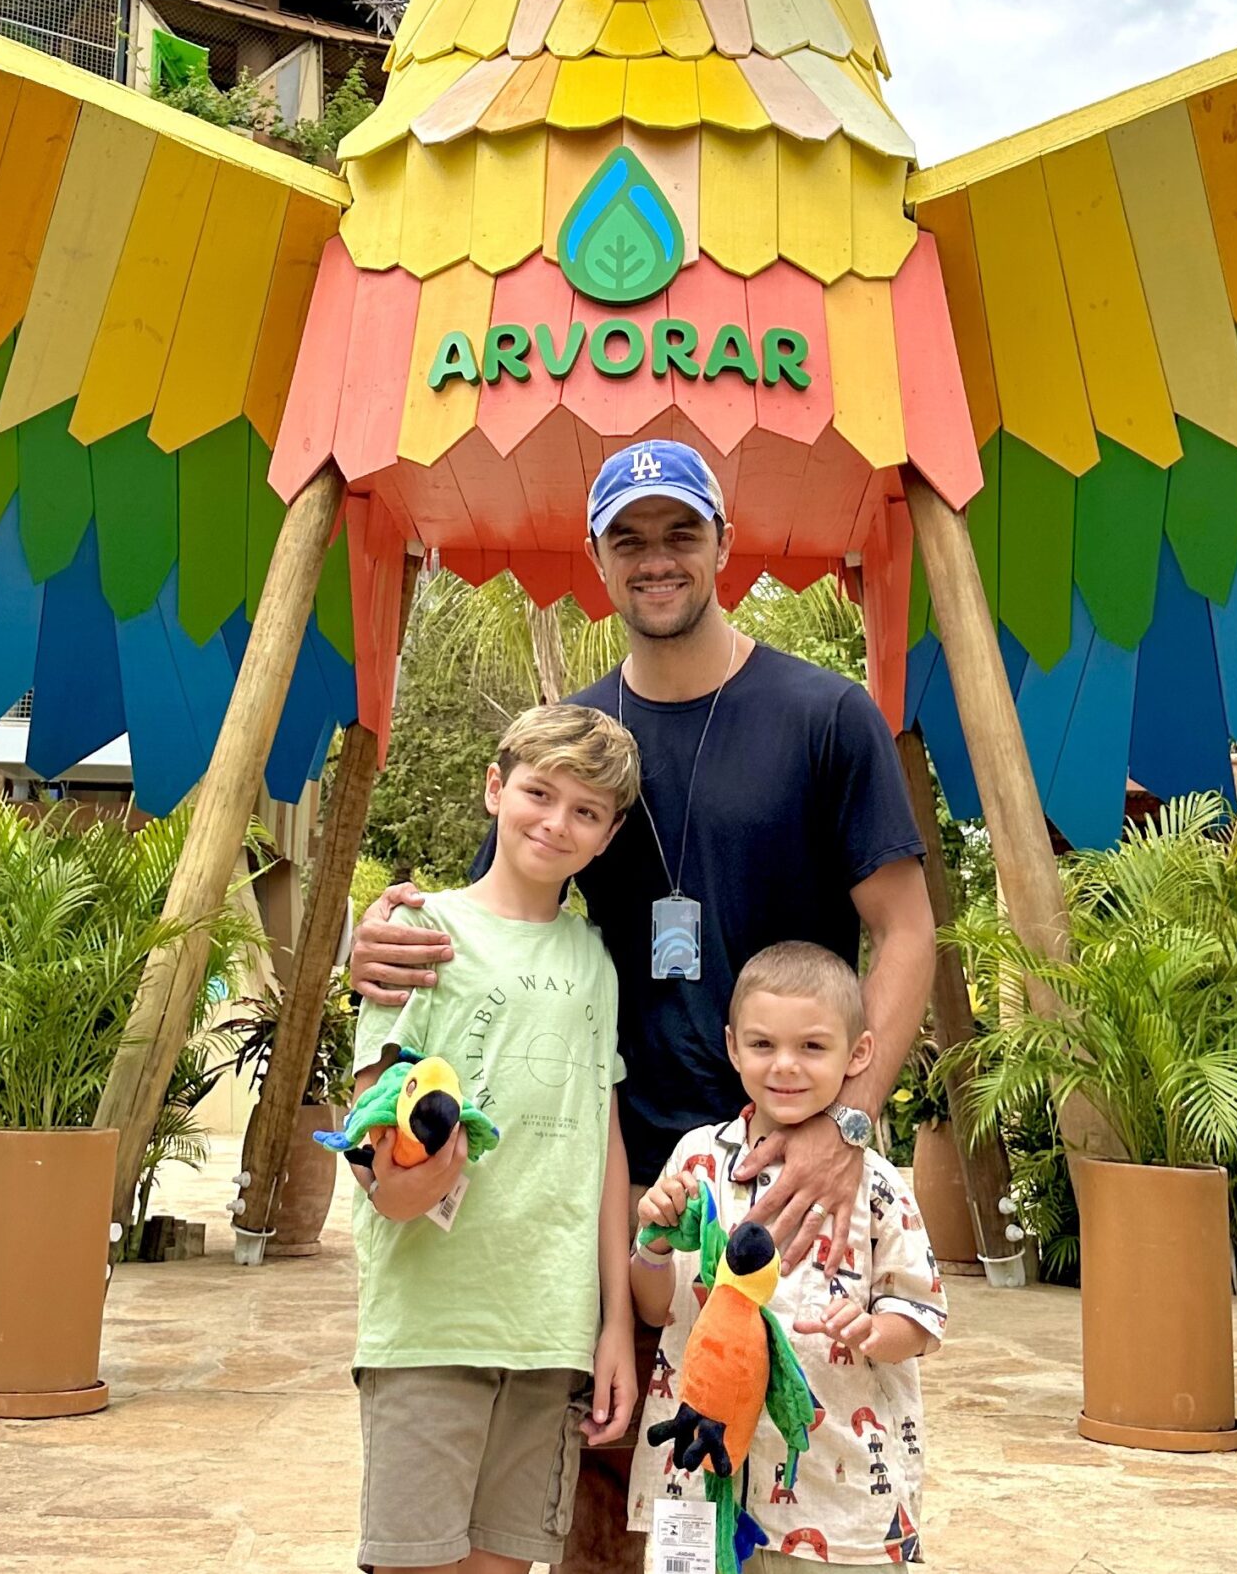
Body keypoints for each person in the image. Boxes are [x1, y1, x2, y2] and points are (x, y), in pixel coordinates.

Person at [351, 438, 939, 1573]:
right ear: (597, 558)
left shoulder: (825, 715)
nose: (657, 559)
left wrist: (846, 1121)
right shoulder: (576, 748)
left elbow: (905, 926)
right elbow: (497, 911)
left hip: (785, 1165)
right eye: (630, 537)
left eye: (681, 532)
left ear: (725, 543)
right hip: (615, 1184)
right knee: (605, 1503)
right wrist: (379, 934)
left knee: (806, 1493)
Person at [347, 700, 644, 1574]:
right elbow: (376, 1144)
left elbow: (604, 1143)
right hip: (431, 1325)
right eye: (539, 793)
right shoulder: (417, 934)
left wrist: (613, 1324)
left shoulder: (596, 960)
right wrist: (411, 1174)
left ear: (608, 834)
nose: (556, 822)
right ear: (494, 788)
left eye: (585, 811)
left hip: (549, 1333)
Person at [628, 941, 945, 1567]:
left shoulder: (876, 1184)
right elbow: (652, 1305)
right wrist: (656, 1243)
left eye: (812, 1047)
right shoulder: (695, 1159)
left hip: (839, 1492)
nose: (786, 1066)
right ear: (732, 1046)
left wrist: (874, 1329)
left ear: (858, 1054)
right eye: (763, 1044)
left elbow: (921, 1317)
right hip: (697, 1483)